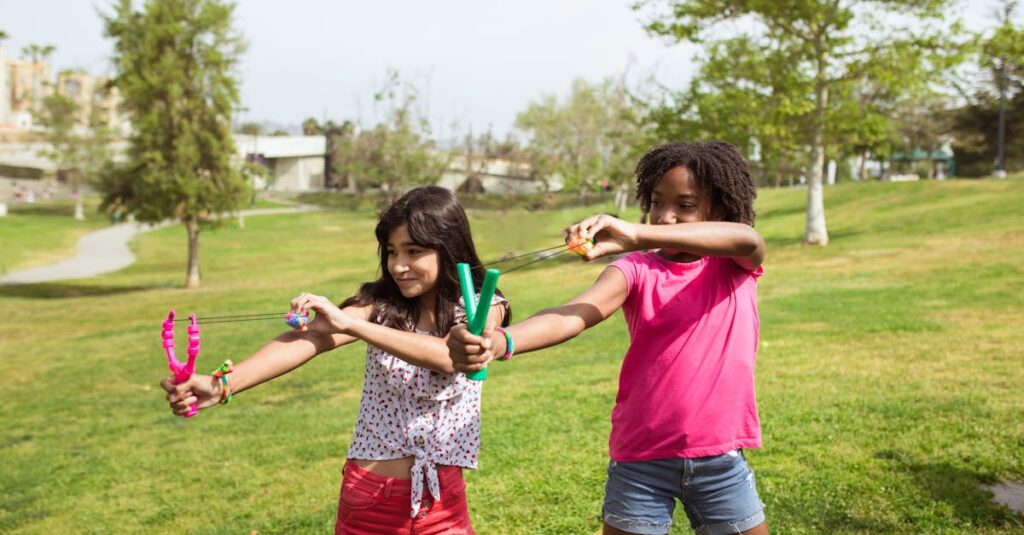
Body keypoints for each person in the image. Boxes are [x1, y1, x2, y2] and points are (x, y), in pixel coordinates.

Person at [448, 141, 769, 535]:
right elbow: (573, 315)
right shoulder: (634, 269)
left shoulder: (733, 264)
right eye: (657, 202)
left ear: (715, 209)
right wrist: (502, 341)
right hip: (642, 461)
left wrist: (636, 232)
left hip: (720, 459)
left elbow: (748, 239)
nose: (666, 217)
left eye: (684, 206)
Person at [162, 186, 509, 534]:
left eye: (413, 251)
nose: (398, 266)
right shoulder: (380, 305)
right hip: (371, 497)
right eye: (391, 252)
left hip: (443, 503)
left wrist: (353, 327)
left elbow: (451, 356)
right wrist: (222, 384)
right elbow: (311, 338)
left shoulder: (483, 304)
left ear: (446, 248)